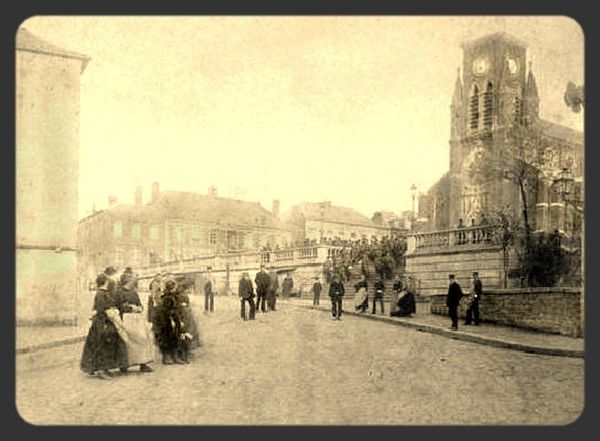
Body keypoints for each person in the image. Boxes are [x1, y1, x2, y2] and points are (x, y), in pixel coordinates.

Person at [80, 273, 129, 378]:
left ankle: (98, 368)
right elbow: (104, 309)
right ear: (105, 282)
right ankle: (102, 370)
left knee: (100, 345)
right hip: (103, 323)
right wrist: (118, 321)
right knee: (103, 346)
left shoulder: (104, 293)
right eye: (108, 280)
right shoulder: (101, 294)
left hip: (104, 321)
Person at [117, 274, 154, 373]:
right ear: (127, 281)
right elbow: (120, 307)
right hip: (126, 318)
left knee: (142, 339)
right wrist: (130, 308)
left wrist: (140, 308)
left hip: (137, 319)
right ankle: (125, 364)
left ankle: (143, 363)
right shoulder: (119, 293)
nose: (133, 282)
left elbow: (140, 304)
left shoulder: (134, 293)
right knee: (128, 341)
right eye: (131, 280)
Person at [154, 280, 187, 364]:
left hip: (174, 318)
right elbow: (166, 310)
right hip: (167, 319)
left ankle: (174, 356)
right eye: (173, 287)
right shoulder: (167, 297)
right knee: (167, 337)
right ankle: (166, 357)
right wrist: (171, 319)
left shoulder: (173, 296)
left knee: (175, 336)